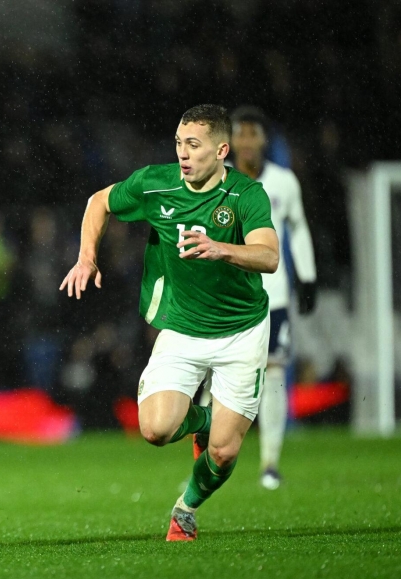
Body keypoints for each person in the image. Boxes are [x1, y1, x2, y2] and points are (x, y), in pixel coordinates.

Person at [60, 104, 279, 541]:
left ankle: (187, 508)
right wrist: (87, 257)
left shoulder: (245, 195)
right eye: (179, 142)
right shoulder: (156, 184)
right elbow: (98, 202)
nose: (183, 153)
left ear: (221, 150)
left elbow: (269, 255)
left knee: (224, 451)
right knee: (155, 430)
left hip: (240, 332)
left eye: (193, 145)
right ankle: (203, 419)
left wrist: (222, 249)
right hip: (181, 329)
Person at [229, 106, 317, 490]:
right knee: (214, 374)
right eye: (240, 134)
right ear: (230, 139)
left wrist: (308, 277)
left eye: (254, 134)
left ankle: (270, 461)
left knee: (275, 373)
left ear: (265, 139)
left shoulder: (283, 182)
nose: (247, 142)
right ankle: (208, 462)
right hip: (228, 295)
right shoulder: (219, 180)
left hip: (274, 295)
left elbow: (297, 228)